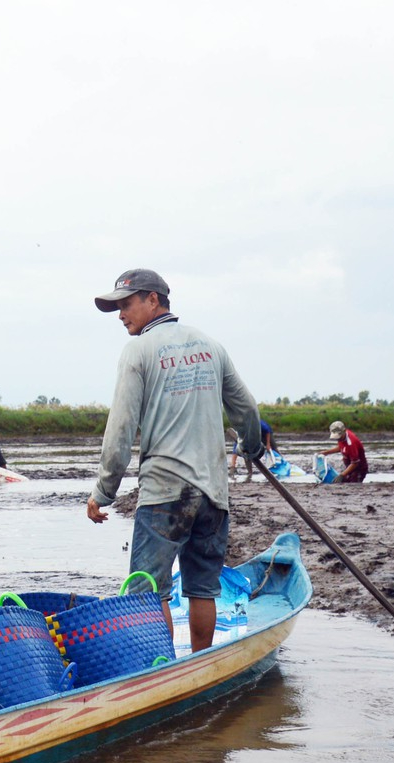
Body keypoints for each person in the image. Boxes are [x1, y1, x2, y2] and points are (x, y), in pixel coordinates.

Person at [85, 269, 264, 654]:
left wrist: (104, 491)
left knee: (150, 591)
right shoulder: (210, 345)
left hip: (165, 492)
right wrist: (251, 447)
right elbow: (247, 410)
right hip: (213, 493)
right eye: (117, 307)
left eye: (126, 304)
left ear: (154, 300)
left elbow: (120, 428)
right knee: (203, 589)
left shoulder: (138, 351)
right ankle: (199, 666)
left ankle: (164, 671)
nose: (120, 315)